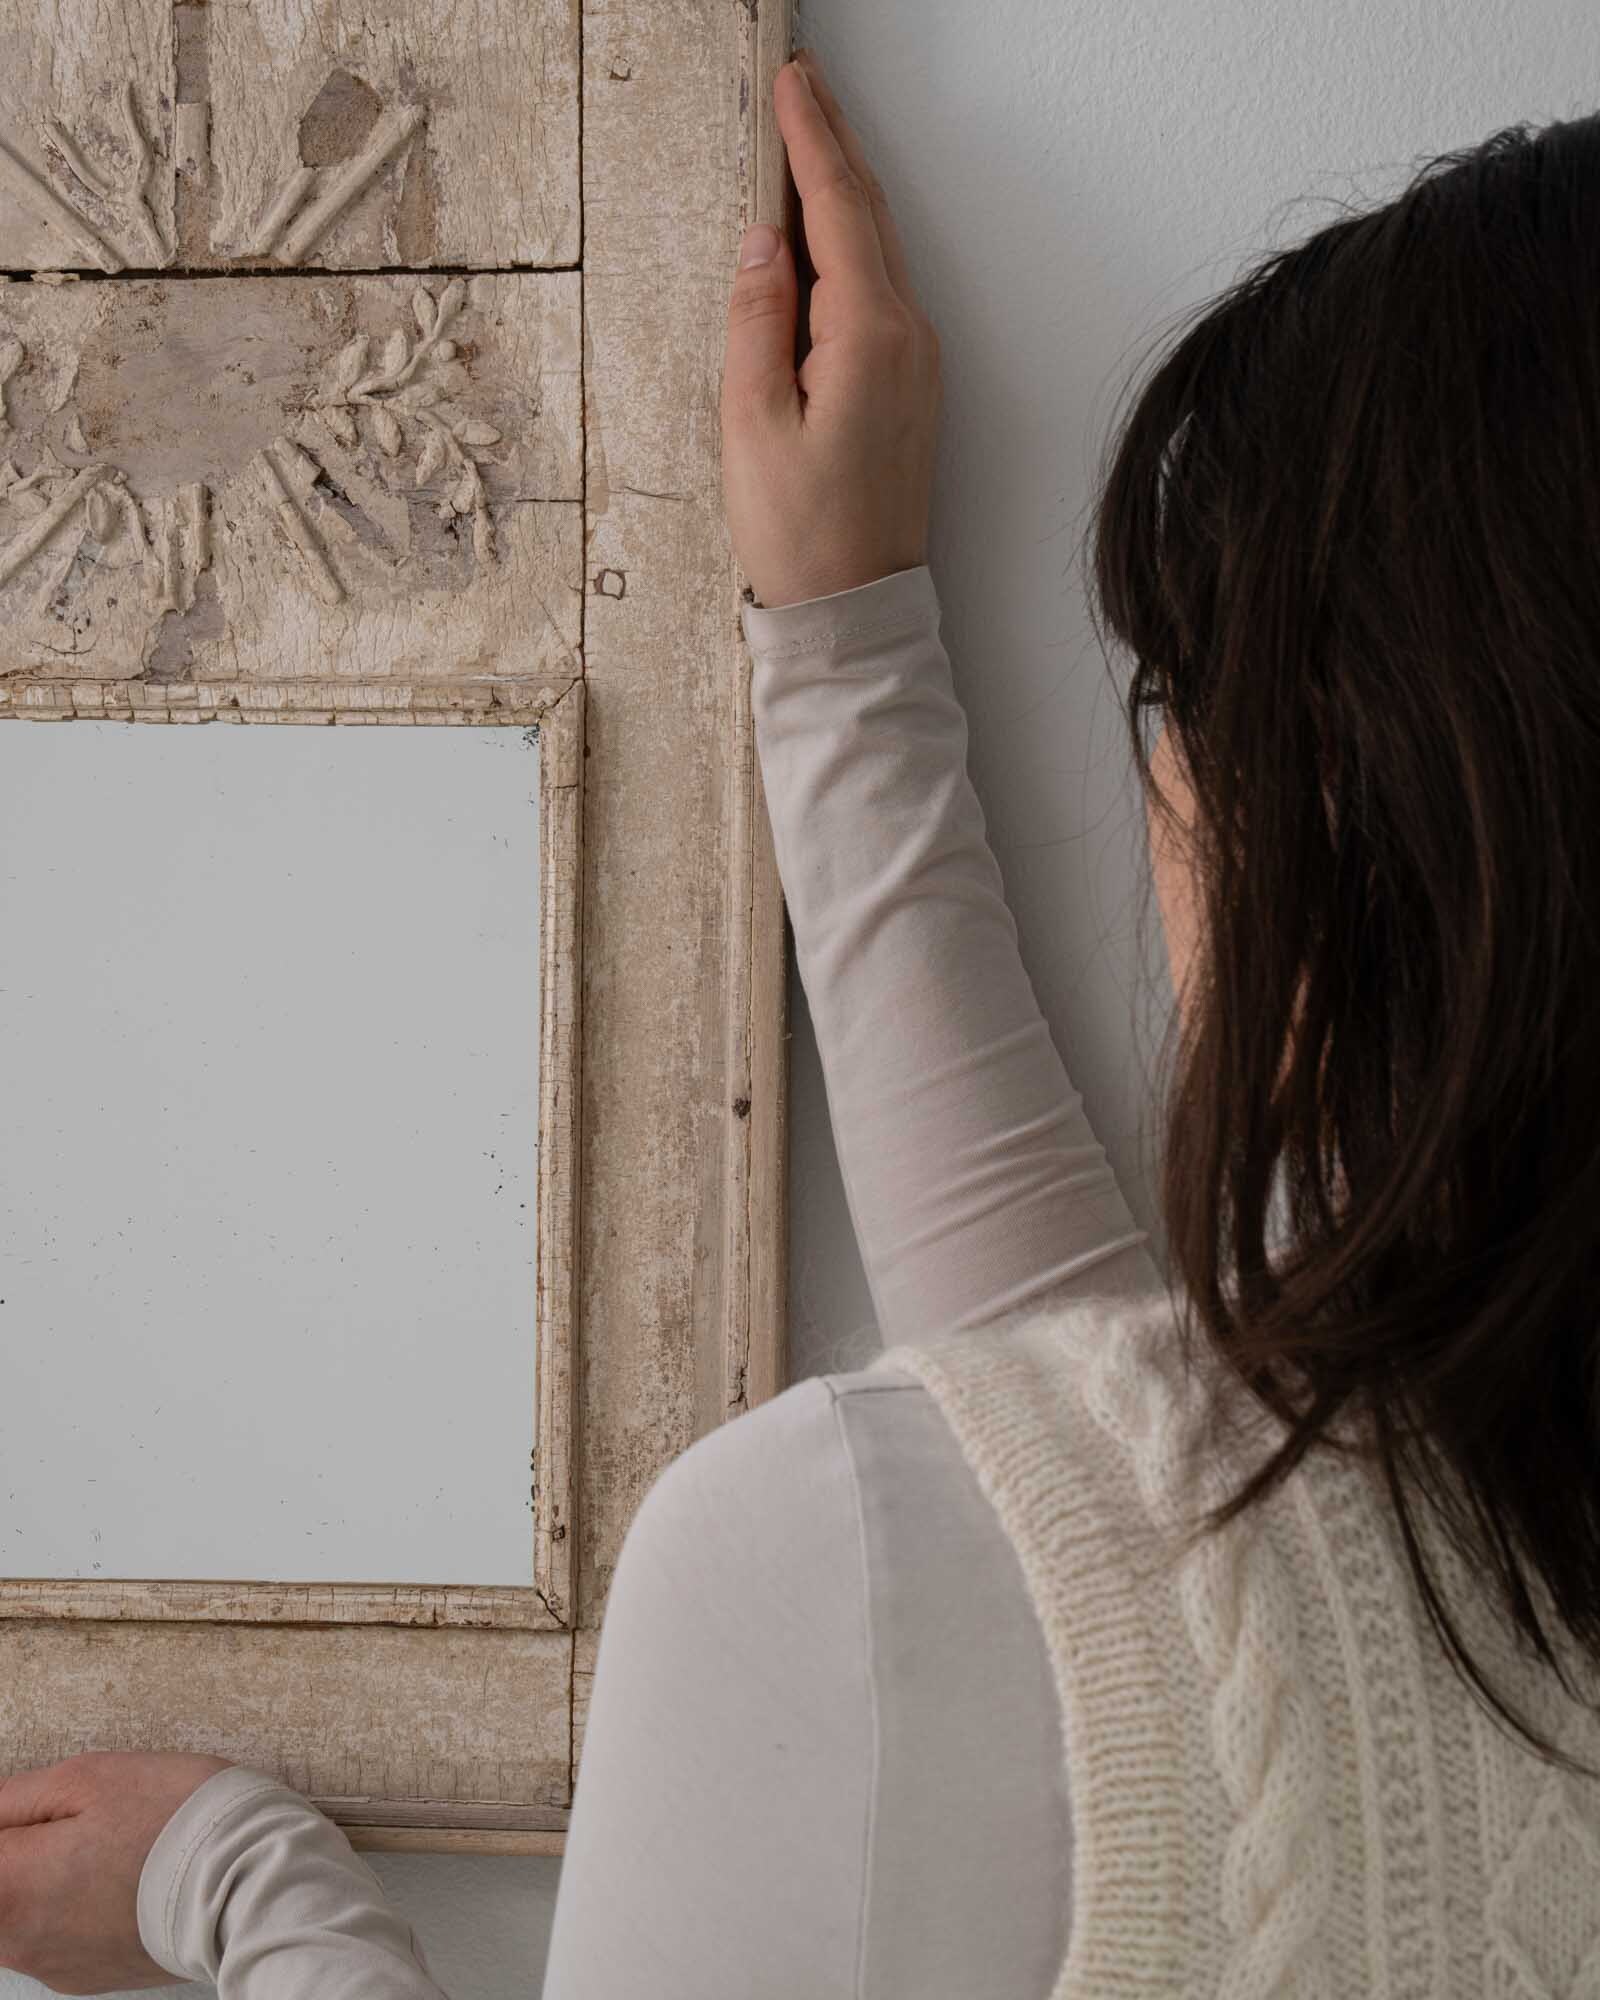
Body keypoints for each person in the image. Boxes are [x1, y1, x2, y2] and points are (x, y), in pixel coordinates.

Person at [6, 44, 1600, 1999]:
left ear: (1374, 809)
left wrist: (247, 1896)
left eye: (1185, 693)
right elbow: (1110, 1540)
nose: (1167, 791)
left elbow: (1092, 1585)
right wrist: (845, 650)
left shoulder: (812, 1579)